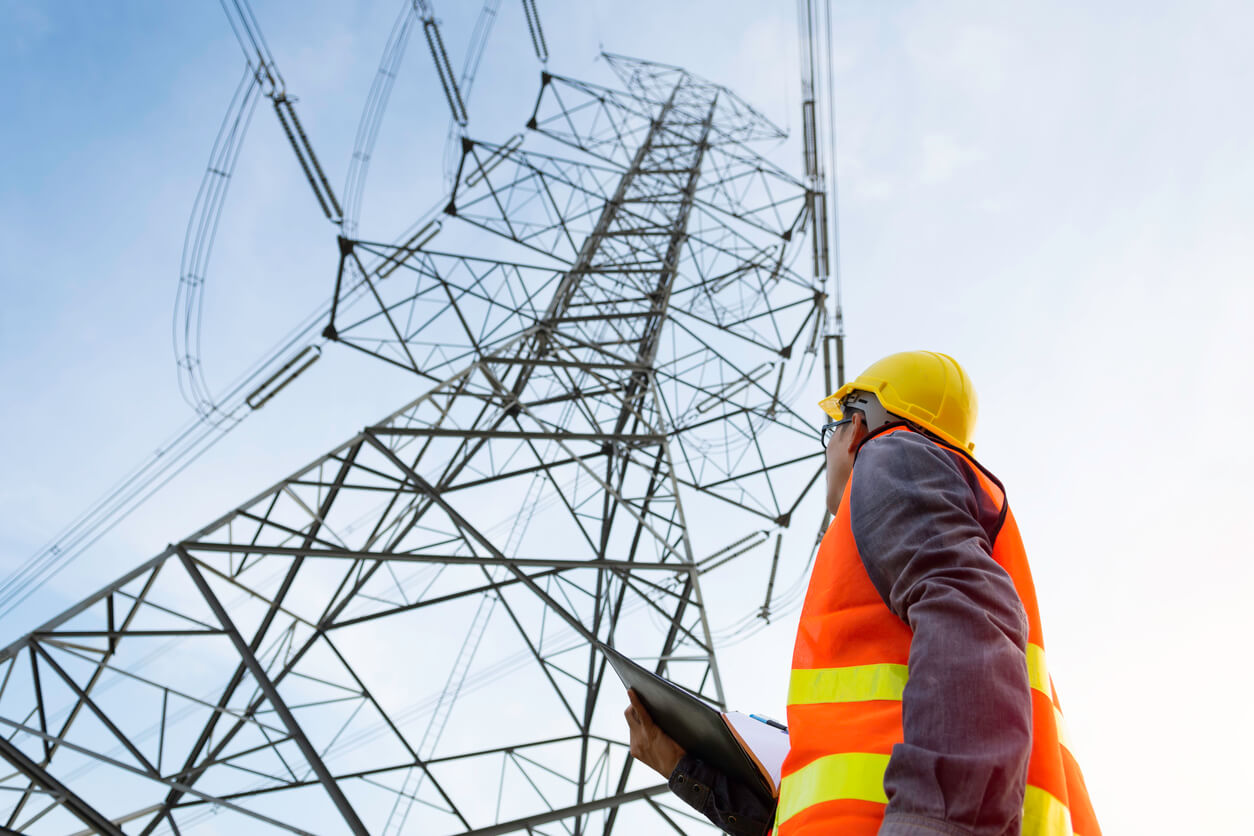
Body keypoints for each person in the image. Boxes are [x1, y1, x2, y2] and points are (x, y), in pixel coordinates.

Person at [624, 350, 1100, 836]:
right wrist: (688, 770)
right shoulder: (911, 498)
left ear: (857, 425)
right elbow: (829, 802)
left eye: (832, 430)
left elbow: (969, 623)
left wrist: (936, 823)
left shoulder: (895, 455)